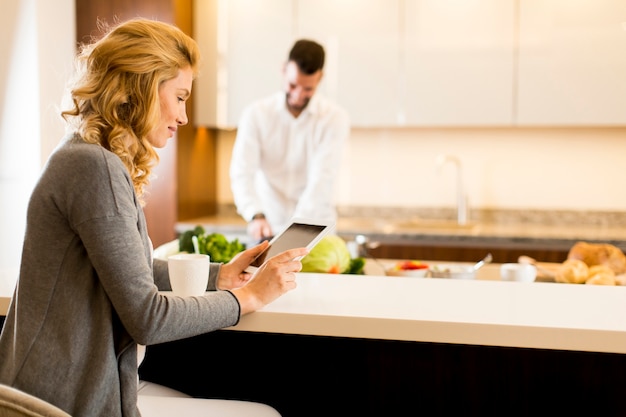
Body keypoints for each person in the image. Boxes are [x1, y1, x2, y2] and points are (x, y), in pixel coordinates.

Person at [0, 18, 306, 417]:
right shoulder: (94, 168)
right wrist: (248, 296)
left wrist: (219, 277)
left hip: (73, 387)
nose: (183, 116)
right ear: (142, 87)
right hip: (60, 403)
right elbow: (148, 318)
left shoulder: (85, 156)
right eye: (179, 97)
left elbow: (130, 272)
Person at [229, 39, 350, 241]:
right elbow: (242, 172)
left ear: (320, 78)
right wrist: (255, 214)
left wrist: (295, 233)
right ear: (284, 70)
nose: (297, 95)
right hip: (268, 228)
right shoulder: (256, 115)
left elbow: (322, 179)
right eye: (293, 85)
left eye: (308, 89)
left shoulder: (334, 119)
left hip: (314, 231)